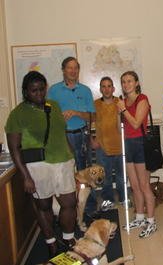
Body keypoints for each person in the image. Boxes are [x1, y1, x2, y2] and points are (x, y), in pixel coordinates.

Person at [5, 71, 77, 257]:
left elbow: (62, 132)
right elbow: (14, 148)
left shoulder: (52, 105)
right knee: (43, 206)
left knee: (69, 202)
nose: (38, 94)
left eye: (41, 89)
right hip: (38, 166)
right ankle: (51, 242)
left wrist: (72, 155)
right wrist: (25, 177)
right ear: (26, 91)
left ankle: (68, 237)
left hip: (63, 161)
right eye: (34, 90)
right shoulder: (17, 114)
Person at [116, 71, 157, 238]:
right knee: (134, 185)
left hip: (140, 144)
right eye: (124, 82)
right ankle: (140, 217)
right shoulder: (123, 102)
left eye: (129, 81)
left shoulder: (142, 99)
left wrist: (123, 109)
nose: (126, 84)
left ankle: (151, 221)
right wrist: (118, 112)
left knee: (144, 185)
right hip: (128, 145)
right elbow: (120, 129)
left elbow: (135, 123)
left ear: (137, 82)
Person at [86, 77, 125, 214]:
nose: (107, 89)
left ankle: (123, 198)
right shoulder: (95, 104)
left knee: (121, 176)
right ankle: (108, 200)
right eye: (104, 86)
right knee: (106, 178)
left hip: (120, 147)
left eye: (109, 86)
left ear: (113, 88)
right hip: (102, 148)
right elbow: (89, 122)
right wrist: (91, 138)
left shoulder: (119, 103)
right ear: (100, 89)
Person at [47, 57, 95, 171]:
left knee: (83, 171)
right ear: (63, 70)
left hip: (82, 135)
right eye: (69, 68)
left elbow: (93, 117)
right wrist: (59, 117)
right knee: (65, 171)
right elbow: (47, 114)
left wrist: (76, 113)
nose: (73, 71)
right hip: (62, 136)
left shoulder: (86, 90)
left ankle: (85, 189)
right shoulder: (53, 90)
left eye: (76, 68)